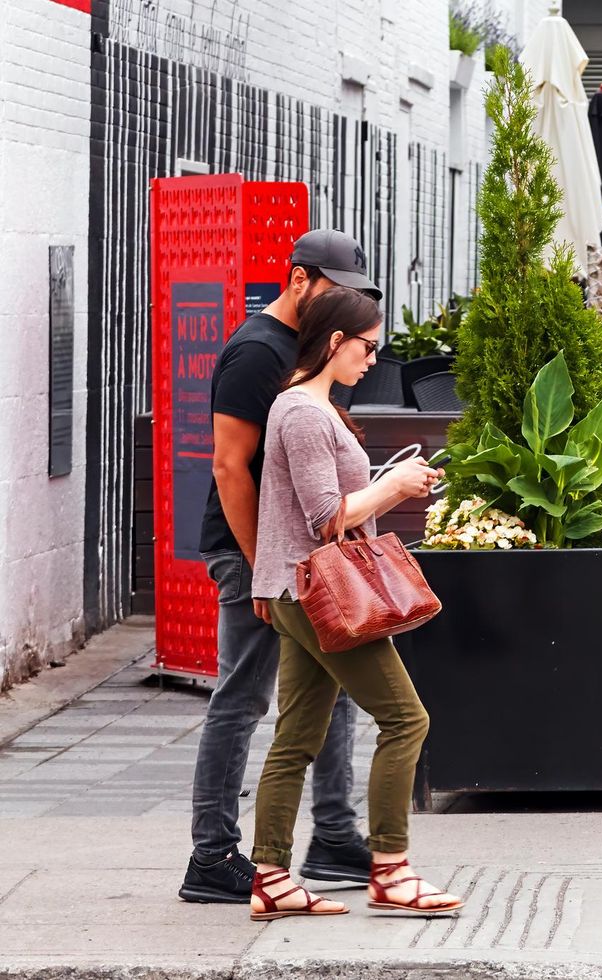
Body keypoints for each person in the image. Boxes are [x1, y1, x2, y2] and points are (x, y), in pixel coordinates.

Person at [179, 230, 383, 904]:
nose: (344, 307)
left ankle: (331, 835)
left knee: (336, 693)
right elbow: (229, 466)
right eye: (335, 291)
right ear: (298, 280)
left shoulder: (313, 349)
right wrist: (259, 567)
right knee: (241, 698)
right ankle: (212, 856)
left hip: (311, 552)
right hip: (255, 556)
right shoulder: (254, 354)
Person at [247, 286, 462, 920]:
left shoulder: (306, 408)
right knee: (407, 721)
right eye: (367, 347)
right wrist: (392, 486)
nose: (373, 359)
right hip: (322, 595)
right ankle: (391, 872)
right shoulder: (306, 413)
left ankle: (270, 879)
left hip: (298, 591)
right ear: (334, 342)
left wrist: (385, 484)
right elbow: (324, 519)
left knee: (296, 737)